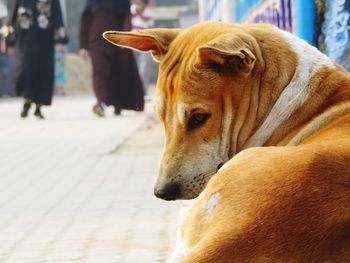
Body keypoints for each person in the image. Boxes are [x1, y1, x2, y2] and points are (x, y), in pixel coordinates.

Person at [80, 0, 144, 117]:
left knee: (118, 71)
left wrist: (124, 38)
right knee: (99, 71)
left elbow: (126, 18)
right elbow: (85, 21)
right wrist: (83, 46)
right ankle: (101, 102)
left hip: (117, 42)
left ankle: (118, 104)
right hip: (97, 42)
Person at [9, 0, 68, 119]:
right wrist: (10, 32)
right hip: (25, 36)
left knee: (43, 70)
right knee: (25, 68)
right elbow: (15, 12)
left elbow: (57, 12)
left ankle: (38, 106)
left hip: (44, 38)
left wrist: (59, 34)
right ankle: (27, 100)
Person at [131, 0, 154, 92]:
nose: (139, 6)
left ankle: (142, 90)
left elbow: (150, 29)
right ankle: (131, 90)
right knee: (132, 66)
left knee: (144, 67)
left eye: (142, 4)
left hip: (144, 43)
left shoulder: (149, 14)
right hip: (131, 42)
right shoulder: (130, 12)